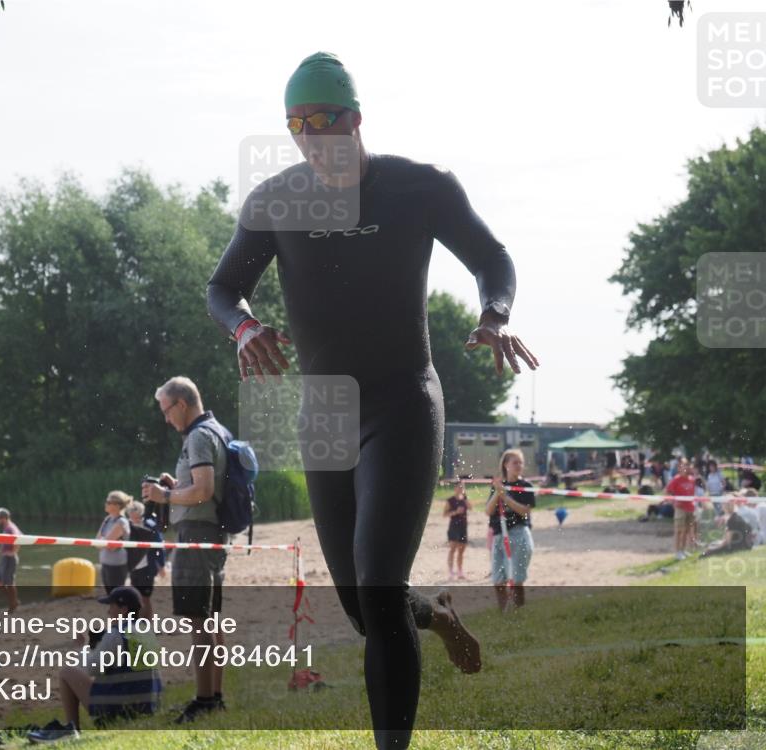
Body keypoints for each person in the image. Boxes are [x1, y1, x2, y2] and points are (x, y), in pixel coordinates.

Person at [205, 52, 538, 749]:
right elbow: (222, 287)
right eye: (295, 125)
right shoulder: (274, 201)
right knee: (361, 604)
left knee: (380, 589)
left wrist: (495, 315)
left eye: (321, 121)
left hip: (402, 401)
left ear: (354, 119)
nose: (308, 137)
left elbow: (490, 256)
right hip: (324, 413)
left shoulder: (420, 188)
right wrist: (243, 328)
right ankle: (439, 615)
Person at [140, 376, 230, 723]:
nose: (165, 418)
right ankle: (215, 696)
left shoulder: (198, 436)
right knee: (212, 617)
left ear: (180, 404)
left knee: (199, 619)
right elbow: (203, 487)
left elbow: (204, 490)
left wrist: (165, 496)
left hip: (197, 533)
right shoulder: (216, 430)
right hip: (212, 533)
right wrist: (176, 486)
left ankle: (205, 699)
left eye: (166, 410)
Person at [27, 586, 162, 743]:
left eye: (111, 606)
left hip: (121, 711)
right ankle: (72, 729)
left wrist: (80, 648)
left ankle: (72, 729)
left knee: (67, 672)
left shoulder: (116, 634)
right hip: (147, 708)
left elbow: (90, 668)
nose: (108, 611)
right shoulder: (146, 632)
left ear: (124, 609)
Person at [485, 450, 535, 612]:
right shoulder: (499, 486)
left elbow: (525, 511)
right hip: (499, 535)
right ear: (506, 465)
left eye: (521, 462)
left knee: (516, 576)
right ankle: (503, 612)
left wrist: (506, 497)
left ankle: (519, 611)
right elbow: (488, 510)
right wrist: (497, 494)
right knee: (498, 579)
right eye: (515, 462)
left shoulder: (526, 486)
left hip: (518, 534)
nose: (519, 465)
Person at [127, 500, 167, 619]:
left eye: (138, 518)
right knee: (134, 594)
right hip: (134, 566)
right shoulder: (126, 526)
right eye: (132, 518)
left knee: (145, 597)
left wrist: (161, 566)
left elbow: (159, 546)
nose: (135, 520)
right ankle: (136, 623)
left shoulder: (150, 525)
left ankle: (148, 625)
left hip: (148, 566)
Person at [97, 491, 132, 594]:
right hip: (105, 563)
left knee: (117, 598)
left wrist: (104, 542)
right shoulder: (107, 519)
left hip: (117, 565)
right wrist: (104, 543)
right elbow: (96, 543)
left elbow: (106, 543)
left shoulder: (122, 522)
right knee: (110, 596)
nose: (105, 504)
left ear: (117, 505)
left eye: (108, 502)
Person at [665, 462, 697, 560]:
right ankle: (677, 552)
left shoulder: (692, 480)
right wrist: (674, 502)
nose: (685, 469)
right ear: (680, 469)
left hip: (690, 508)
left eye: (687, 467)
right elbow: (667, 492)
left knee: (687, 531)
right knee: (679, 531)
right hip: (680, 509)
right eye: (683, 467)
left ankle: (683, 550)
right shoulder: (676, 480)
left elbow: (692, 493)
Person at [0, 507, 20, 611]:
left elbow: (19, 539)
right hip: (4, 558)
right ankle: (13, 601)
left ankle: (13, 604)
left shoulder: (10, 528)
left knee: (9, 583)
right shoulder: (7, 527)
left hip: (9, 559)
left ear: (4, 518)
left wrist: (13, 552)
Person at [443, 482, 471, 580]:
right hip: (453, 527)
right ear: (455, 488)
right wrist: (455, 512)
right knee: (452, 549)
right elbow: (444, 514)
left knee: (461, 550)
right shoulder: (450, 500)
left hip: (463, 527)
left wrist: (465, 498)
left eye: (462, 487)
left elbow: (471, 508)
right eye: (459, 487)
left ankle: (460, 571)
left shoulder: (465, 499)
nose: (461, 489)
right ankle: (450, 572)